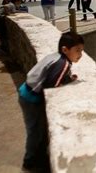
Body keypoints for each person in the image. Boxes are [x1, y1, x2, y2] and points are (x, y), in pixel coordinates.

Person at [18, 31, 84, 171]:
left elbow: (53, 76)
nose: (80, 55)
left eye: (81, 50)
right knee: (34, 131)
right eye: (78, 50)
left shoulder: (56, 57)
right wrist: (66, 81)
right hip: (31, 98)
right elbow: (51, 86)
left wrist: (67, 79)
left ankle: (38, 156)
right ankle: (29, 161)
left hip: (26, 91)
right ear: (65, 50)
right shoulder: (63, 63)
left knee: (38, 129)